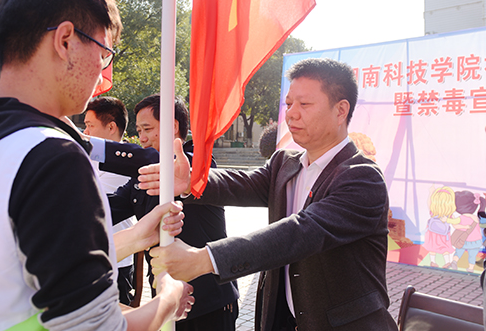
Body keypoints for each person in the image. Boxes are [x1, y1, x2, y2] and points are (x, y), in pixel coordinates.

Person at [0, 0, 193, 331]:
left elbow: (14, 263)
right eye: (103, 53)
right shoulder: (53, 158)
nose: (101, 73)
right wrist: (168, 297)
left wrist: (137, 236)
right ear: (65, 40)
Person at [139, 58, 398, 331]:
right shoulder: (285, 163)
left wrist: (204, 259)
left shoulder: (362, 178)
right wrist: (192, 181)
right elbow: (242, 183)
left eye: (304, 104)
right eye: (289, 104)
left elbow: (300, 233)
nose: (292, 114)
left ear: (340, 110)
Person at [99, 94, 239, 331]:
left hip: (208, 300)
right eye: (139, 130)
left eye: (147, 129)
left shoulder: (198, 162)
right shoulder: (143, 176)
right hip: (168, 302)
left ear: (173, 126)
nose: (142, 138)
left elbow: (163, 161)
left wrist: (91, 147)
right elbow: (108, 209)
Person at [85, 96, 137, 305]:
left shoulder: (129, 163)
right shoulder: (89, 158)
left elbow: (88, 201)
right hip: (85, 258)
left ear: (111, 127)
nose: (86, 132)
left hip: (116, 262)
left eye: (90, 125)